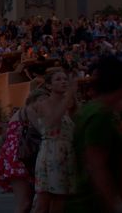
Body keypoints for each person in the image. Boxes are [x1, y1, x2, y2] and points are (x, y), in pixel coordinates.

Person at [68, 55, 122, 213]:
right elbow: (96, 165)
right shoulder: (101, 115)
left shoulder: (88, 110)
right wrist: (113, 204)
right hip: (91, 203)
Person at [34, 71, 77, 212]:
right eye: (58, 79)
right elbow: (52, 121)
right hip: (51, 152)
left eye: (65, 79)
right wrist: (69, 95)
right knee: (43, 202)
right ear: (49, 85)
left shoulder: (70, 105)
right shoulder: (43, 103)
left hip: (66, 153)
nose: (63, 82)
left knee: (60, 201)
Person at [0, 92, 41, 213]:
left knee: (27, 202)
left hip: (16, 156)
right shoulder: (29, 110)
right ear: (33, 101)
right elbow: (43, 131)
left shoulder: (22, 112)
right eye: (41, 100)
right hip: (20, 158)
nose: (44, 104)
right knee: (25, 203)